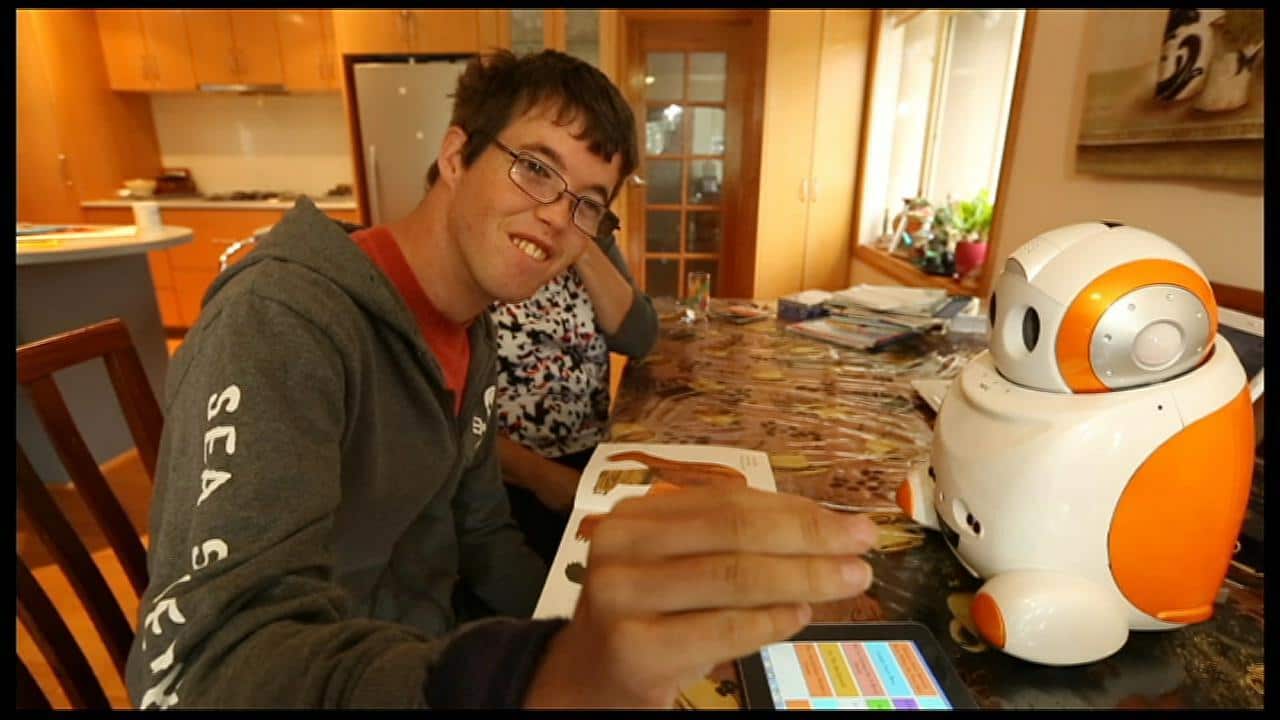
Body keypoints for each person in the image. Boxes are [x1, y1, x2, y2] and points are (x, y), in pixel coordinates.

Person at [125, 49, 879, 709]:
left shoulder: (470, 330)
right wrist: (519, 679)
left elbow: (482, 532)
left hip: (433, 647)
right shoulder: (281, 324)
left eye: (586, 204)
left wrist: (574, 644)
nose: (556, 215)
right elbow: (200, 673)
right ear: (456, 155)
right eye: (537, 168)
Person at [490, 219, 658, 568]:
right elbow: (448, 415)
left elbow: (638, 338)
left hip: (588, 457)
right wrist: (542, 477)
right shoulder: (488, 247)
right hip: (500, 476)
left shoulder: (592, 237)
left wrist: (580, 240)